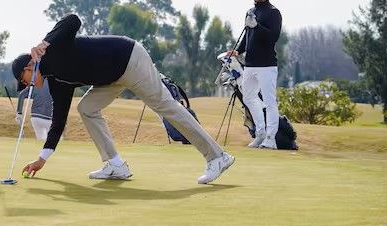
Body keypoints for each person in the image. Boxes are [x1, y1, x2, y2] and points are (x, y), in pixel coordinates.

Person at [12, 14, 235, 184]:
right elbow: (58, 121)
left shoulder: (53, 47)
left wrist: (45, 41)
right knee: (86, 108)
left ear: (30, 66)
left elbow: (73, 20)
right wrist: (42, 158)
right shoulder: (58, 82)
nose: (28, 85)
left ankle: (217, 156)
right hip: (112, 78)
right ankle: (115, 164)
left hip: (129, 58)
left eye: (25, 79)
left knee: (166, 106)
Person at [230, 0, 283, 149]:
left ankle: (271, 138)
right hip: (250, 64)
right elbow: (248, 36)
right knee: (249, 97)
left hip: (267, 64)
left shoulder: (274, 13)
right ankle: (260, 133)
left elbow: (273, 37)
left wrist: (257, 26)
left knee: (269, 101)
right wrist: (238, 50)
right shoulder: (250, 12)